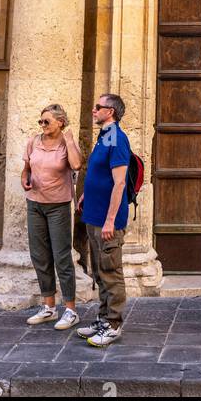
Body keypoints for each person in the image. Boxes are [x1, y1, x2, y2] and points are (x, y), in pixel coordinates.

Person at [74, 93, 132, 348]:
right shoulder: (104, 137)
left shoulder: (118, 139)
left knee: (111, 272)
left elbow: (119, 183)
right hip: (93, 215)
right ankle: (102, 319)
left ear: (111, 112)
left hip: (107, 221)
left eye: (98, 107)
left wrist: (110, 221)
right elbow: (100, 172)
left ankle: (113, 324)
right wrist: (87, 193)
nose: (94, 110)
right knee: (99, 271)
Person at [23, 104, 83, 329]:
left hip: (58, 206)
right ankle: (48, 306)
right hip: (34, 204)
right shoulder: (33, 141)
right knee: (40, 255)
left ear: (60, 122)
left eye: (46, 121)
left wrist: (68, 140)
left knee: (62, 257)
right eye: (41, 121)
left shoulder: (67, 144)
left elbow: (77, 164)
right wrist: (25, 178)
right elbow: (26, 167)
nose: (42, 125)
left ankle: (71, 310)